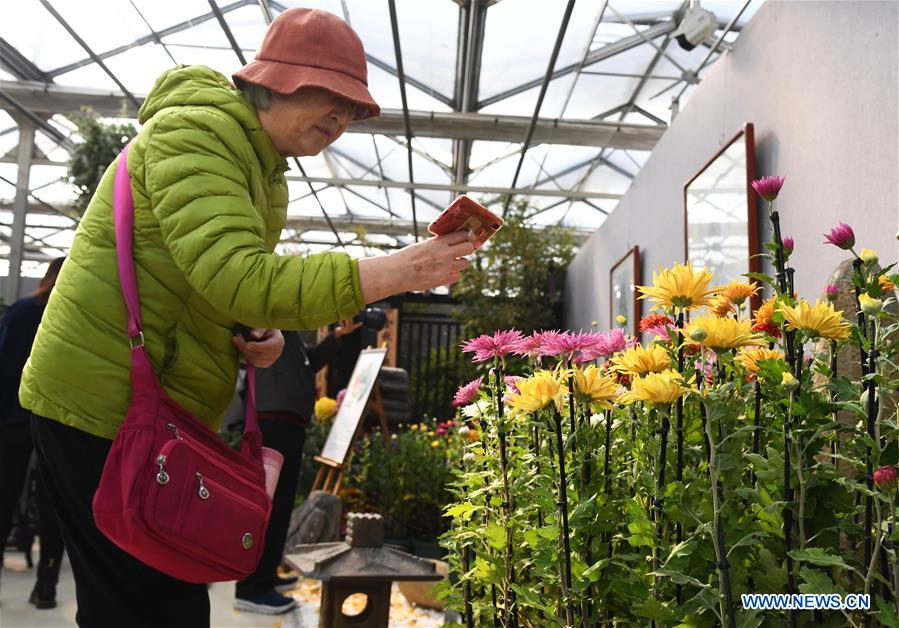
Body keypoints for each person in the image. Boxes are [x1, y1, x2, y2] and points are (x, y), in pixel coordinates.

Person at [18, 8, 474, 627]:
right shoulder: (200, 135)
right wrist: (397, 270)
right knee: (147, 607)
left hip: (137, 406)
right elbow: (235, 274)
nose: (342, 120)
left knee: (148, 604)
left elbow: (212, 281)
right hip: (98, 402)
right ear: (277, 79)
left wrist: (255, 332)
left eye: (355, 110)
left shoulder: (260, 166)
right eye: (332, 97)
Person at [233, 320, 361, 614]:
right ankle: (252, 586)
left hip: (286, 418)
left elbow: (308, 363)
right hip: (273, 417)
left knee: (279, 502)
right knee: (268, 504)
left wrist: (336, 337)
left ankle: (265, 576)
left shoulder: (287, 329)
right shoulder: (267, 309)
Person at [0, 258, 66, 609]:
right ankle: (46, 587)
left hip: (12, 420)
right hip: (58, 425)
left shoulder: (23, 312)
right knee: (53, 506)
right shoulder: (79, 318)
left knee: (4, 497)